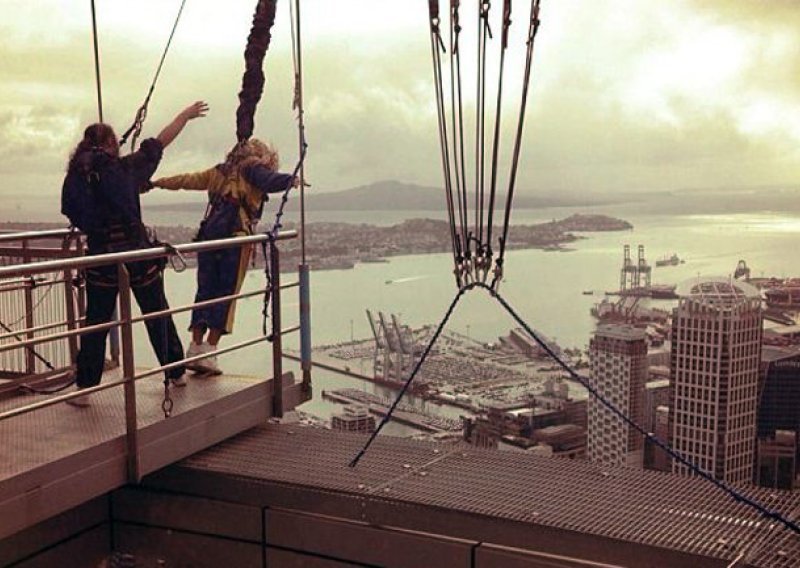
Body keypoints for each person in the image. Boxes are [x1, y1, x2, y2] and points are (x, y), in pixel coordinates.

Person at [61, 101, 208, 406]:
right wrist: (184, 115)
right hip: (137, 254)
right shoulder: (124, 168)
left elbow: (72, 210)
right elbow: (160, 142)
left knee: (98, 321)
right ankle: (175, 371)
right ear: (112, 143)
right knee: (156, 311)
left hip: (101, 257)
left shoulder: (75, 176)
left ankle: (84, 388)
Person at [153, 139, 297, 374]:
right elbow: (269, 181)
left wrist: (157, 183)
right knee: (226, 295)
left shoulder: (219, 172)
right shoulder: (252, 169)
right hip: (235, 238)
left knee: (205, 291)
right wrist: (291, 180)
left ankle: (194, 348)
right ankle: (210, 351)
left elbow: (186, 180)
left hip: (210, 237)